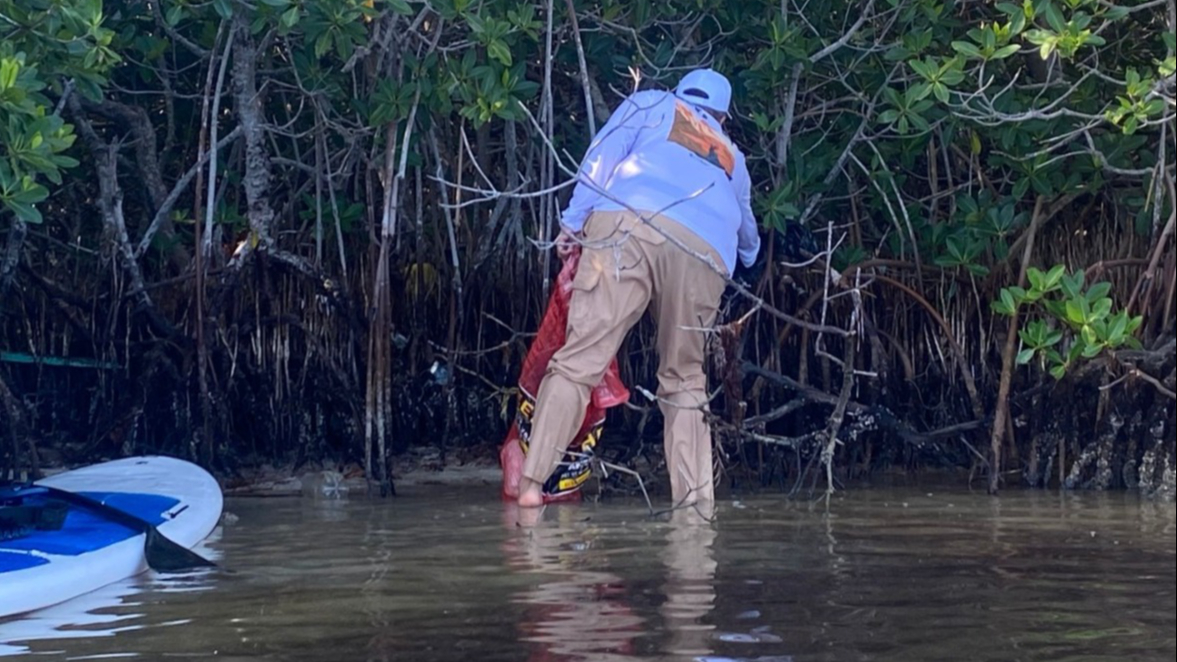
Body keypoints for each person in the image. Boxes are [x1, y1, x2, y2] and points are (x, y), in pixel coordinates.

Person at [517, 68, 761, 509]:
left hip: (627, 222)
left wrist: (572, 225)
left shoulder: (649, 103)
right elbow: (748, 240)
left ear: (680, 94)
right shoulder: (733, 157)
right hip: (705, 250)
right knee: (685, 379)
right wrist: (748, 259)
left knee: (578, 362)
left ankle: (532, 487)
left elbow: (601, 160)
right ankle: (693, 511)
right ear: (723, 118)